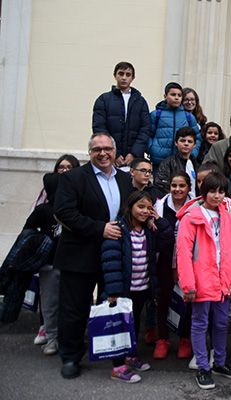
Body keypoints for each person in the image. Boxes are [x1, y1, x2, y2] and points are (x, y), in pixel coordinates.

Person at [54, 132, 135, 379]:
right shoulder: (74, 178)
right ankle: (70, 357)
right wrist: (100, 228)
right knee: (74, 309)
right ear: (89, 153)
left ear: (114, 151)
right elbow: (64, 212)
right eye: (97, 149)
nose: (103, 153)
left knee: (112, 305)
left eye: (107, 148)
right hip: (79, 255)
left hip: (112, 256)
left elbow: (128, 210)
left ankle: (115, 356)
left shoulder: (124, 178)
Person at [175, 171, 231, 390]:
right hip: (200, 281)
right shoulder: (191, 217)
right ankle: (203, 367)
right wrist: (188, 285)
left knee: (222, 323)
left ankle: (220, 363)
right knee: (200, 323)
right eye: (212, 191)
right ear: (203, 192)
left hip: (223, 281)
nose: (217, 195)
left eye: (221, 191)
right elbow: (183, 254)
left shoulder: (228, 216)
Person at [101, 191, 171, 383]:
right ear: (129, 207)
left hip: (142, 288)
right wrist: (113, 292)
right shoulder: (118, 228)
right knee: (120, 327)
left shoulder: (149, 229)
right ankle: (118, 367)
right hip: (123, 290)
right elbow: (111, 260)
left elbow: (167, 242)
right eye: (140, 206)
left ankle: (130, 356)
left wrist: (159, 220)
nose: (144, 211)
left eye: (149, 208)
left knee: (133, 325)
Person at [153, 172, 193, 361]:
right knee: (164, 299)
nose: (177, 189)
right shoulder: (160, 206)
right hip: (165, 260)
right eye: (174, 185)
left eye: (181, 186)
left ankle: (185, 339)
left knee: (186, 300)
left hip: (189, 262)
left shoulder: (195, 207)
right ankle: (163, 339)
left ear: (189, 188)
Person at [22, 173, 61, 355]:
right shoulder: (43, 210)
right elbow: (28, 232)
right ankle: (53, 338)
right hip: (50, 264)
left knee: (53, 304)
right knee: (50, 304)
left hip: (67, 263)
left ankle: (57, 339)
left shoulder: (72, 208)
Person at [92, 61, 151, 167]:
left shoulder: (140, 101)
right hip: (109, 157)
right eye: (121, 74)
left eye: (128, 75)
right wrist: (114, 153)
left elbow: (145, 129)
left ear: (133, 78)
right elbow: (99, 128)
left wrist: (134, 153)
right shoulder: (104, 100)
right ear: (115, 75)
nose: (124, 78)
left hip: (134, 160)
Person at [148, 82, 201, 168]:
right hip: (159, 161)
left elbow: (197, 138)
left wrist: (192, 154)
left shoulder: (189, 117)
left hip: (182, 162)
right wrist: (152, 150)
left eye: (179, 95)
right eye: (173, 94)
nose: (176, 98)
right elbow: (148, 135)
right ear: (165, 96)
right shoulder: (156, 115)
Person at [154, 127, 199, 197]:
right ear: (176, 143)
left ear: (194, 145)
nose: (186, 144)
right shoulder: (167, 163)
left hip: (194, 204)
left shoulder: (196, 164)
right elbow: (161, 185)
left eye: (190, 141)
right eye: (182, 141)